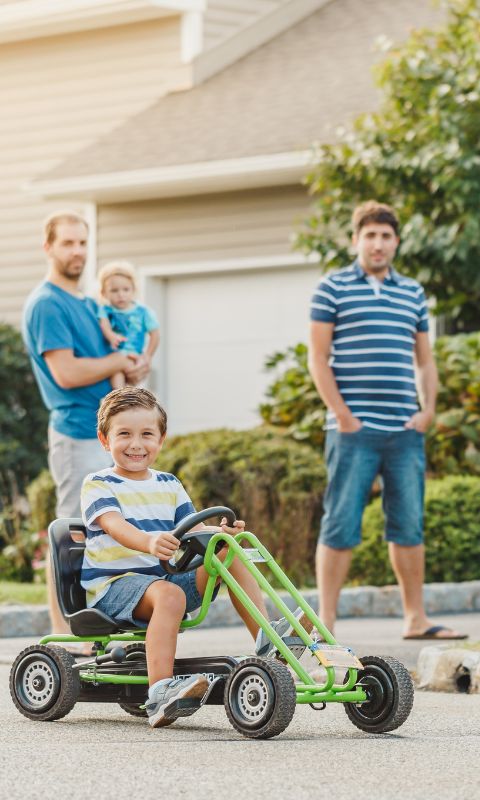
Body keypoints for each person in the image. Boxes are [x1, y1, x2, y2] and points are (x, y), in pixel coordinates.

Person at [81, 387, 289, 727]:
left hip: (164, 582)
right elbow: (115, 526)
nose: (136, 444)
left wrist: (220, 535)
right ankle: (160, 692)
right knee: (170, 593)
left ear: (161, 440)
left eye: (147, 434)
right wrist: (148, 541)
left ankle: (267, 639)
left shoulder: (169, 483)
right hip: (115, 587)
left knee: (227, 554)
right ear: (105, 440)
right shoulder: (99, 483)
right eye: (125, 435)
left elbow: (192, 531)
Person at [308, 200, 466, 641]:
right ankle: (326, 623)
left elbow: (425, 360)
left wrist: (428, 410)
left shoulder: (412, 293)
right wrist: (342, 415)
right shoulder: (331, 288)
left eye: (386, 236)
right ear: (355, 239)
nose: (378, 244)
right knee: (340, 523)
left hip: (404, 431)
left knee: (409, 524)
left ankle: (416, 619)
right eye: (370, 235)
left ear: (396, 241)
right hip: (351, 430)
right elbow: (318, 359)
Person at [22, 211, 148, 644]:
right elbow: (67, 373)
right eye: (67, 243)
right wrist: (116, 363)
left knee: (108, 535)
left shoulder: (89, 303)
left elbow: (111, 361)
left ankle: (102, 633)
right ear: (49, 247)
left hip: (108, 433)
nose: (77, 251)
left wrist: (133, 366)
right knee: (71, 535)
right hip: (76, 432)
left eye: (82, 243)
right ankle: (64, 639)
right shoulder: (47, 304)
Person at [96, 261, 160, 389]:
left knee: (133, 376)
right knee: (116, 375)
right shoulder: (105, 310)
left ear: (133, 290)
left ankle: (127, 399)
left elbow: (155, 334)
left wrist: (148, 355)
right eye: (114, 290)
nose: (121, 295)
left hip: (133, 355)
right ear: (104, 293)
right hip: (113, 356)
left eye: (126, 289)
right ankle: (120, 398)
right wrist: (111, 336)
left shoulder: (143, 312)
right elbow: (104, 325)